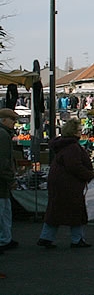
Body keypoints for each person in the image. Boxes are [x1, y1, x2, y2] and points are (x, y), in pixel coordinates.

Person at [37, 118, 94, 249]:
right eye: (79, 130)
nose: (81, 132)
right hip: (69, 183)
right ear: (73, 132)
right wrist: (89, 174)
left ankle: (46, 237)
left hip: (59, 182)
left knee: (55, 210)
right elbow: (74, 166)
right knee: (76, 211)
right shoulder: (73, 147)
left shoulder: (62, 145)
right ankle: (77, 239)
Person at [0, 108, 20, 253]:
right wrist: (10, 178)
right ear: (4, 120)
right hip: (1, 182)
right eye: (13, 120)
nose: (15, 123)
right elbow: (4, 161)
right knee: (3, 211)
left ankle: (5, 238)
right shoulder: (3, 135)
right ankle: (4, 239)